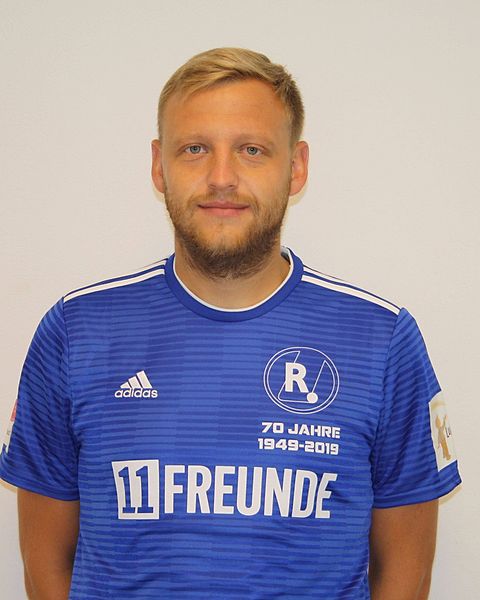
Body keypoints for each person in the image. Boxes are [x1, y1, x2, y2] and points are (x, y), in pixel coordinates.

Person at [0, 48, 460, 599]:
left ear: (296, 167)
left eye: (251, 150)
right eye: (195, 149)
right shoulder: (76, 332)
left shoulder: (380, 340)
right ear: (159, 165)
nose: (222, 178)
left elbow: (407, 573)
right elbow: (45, 565)